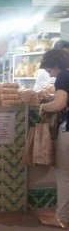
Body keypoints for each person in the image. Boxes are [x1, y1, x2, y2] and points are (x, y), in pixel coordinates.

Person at [37, 49, 69, 228]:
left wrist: (44, 106)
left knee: (64, 174)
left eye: (50, 70)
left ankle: (62, 217)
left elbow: (59, 103)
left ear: (57, 65)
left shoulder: (64, 76)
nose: (50, 74)